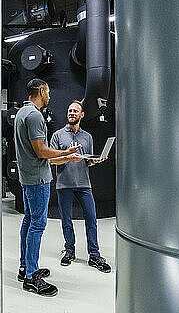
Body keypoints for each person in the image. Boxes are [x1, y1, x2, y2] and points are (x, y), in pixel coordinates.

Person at [14, 78, 81, 297]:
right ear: (41, 91)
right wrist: (65, 153)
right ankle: (32, 276)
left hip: (28, 177)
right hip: (37, 181)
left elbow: (39, 156)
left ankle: (25, 268)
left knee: (29, 220)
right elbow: (42, 152)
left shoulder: (22, 113)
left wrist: (65, 159)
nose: (50, 96)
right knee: (38, 224)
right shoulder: (34, 116)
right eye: (48, 92)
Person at [49, 100, 112, 273]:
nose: (71, 113)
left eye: (75, 111)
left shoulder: (87, 137)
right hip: (64, 184)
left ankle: (94, 255)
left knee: (91, 219)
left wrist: (95, 161)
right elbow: (52, 160)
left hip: (84, 184)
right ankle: (69, 250)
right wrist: (68, 157)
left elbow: (86, 162)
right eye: (69, 110)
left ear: (81, 115)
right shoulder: (57, 135)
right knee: (66, 220)